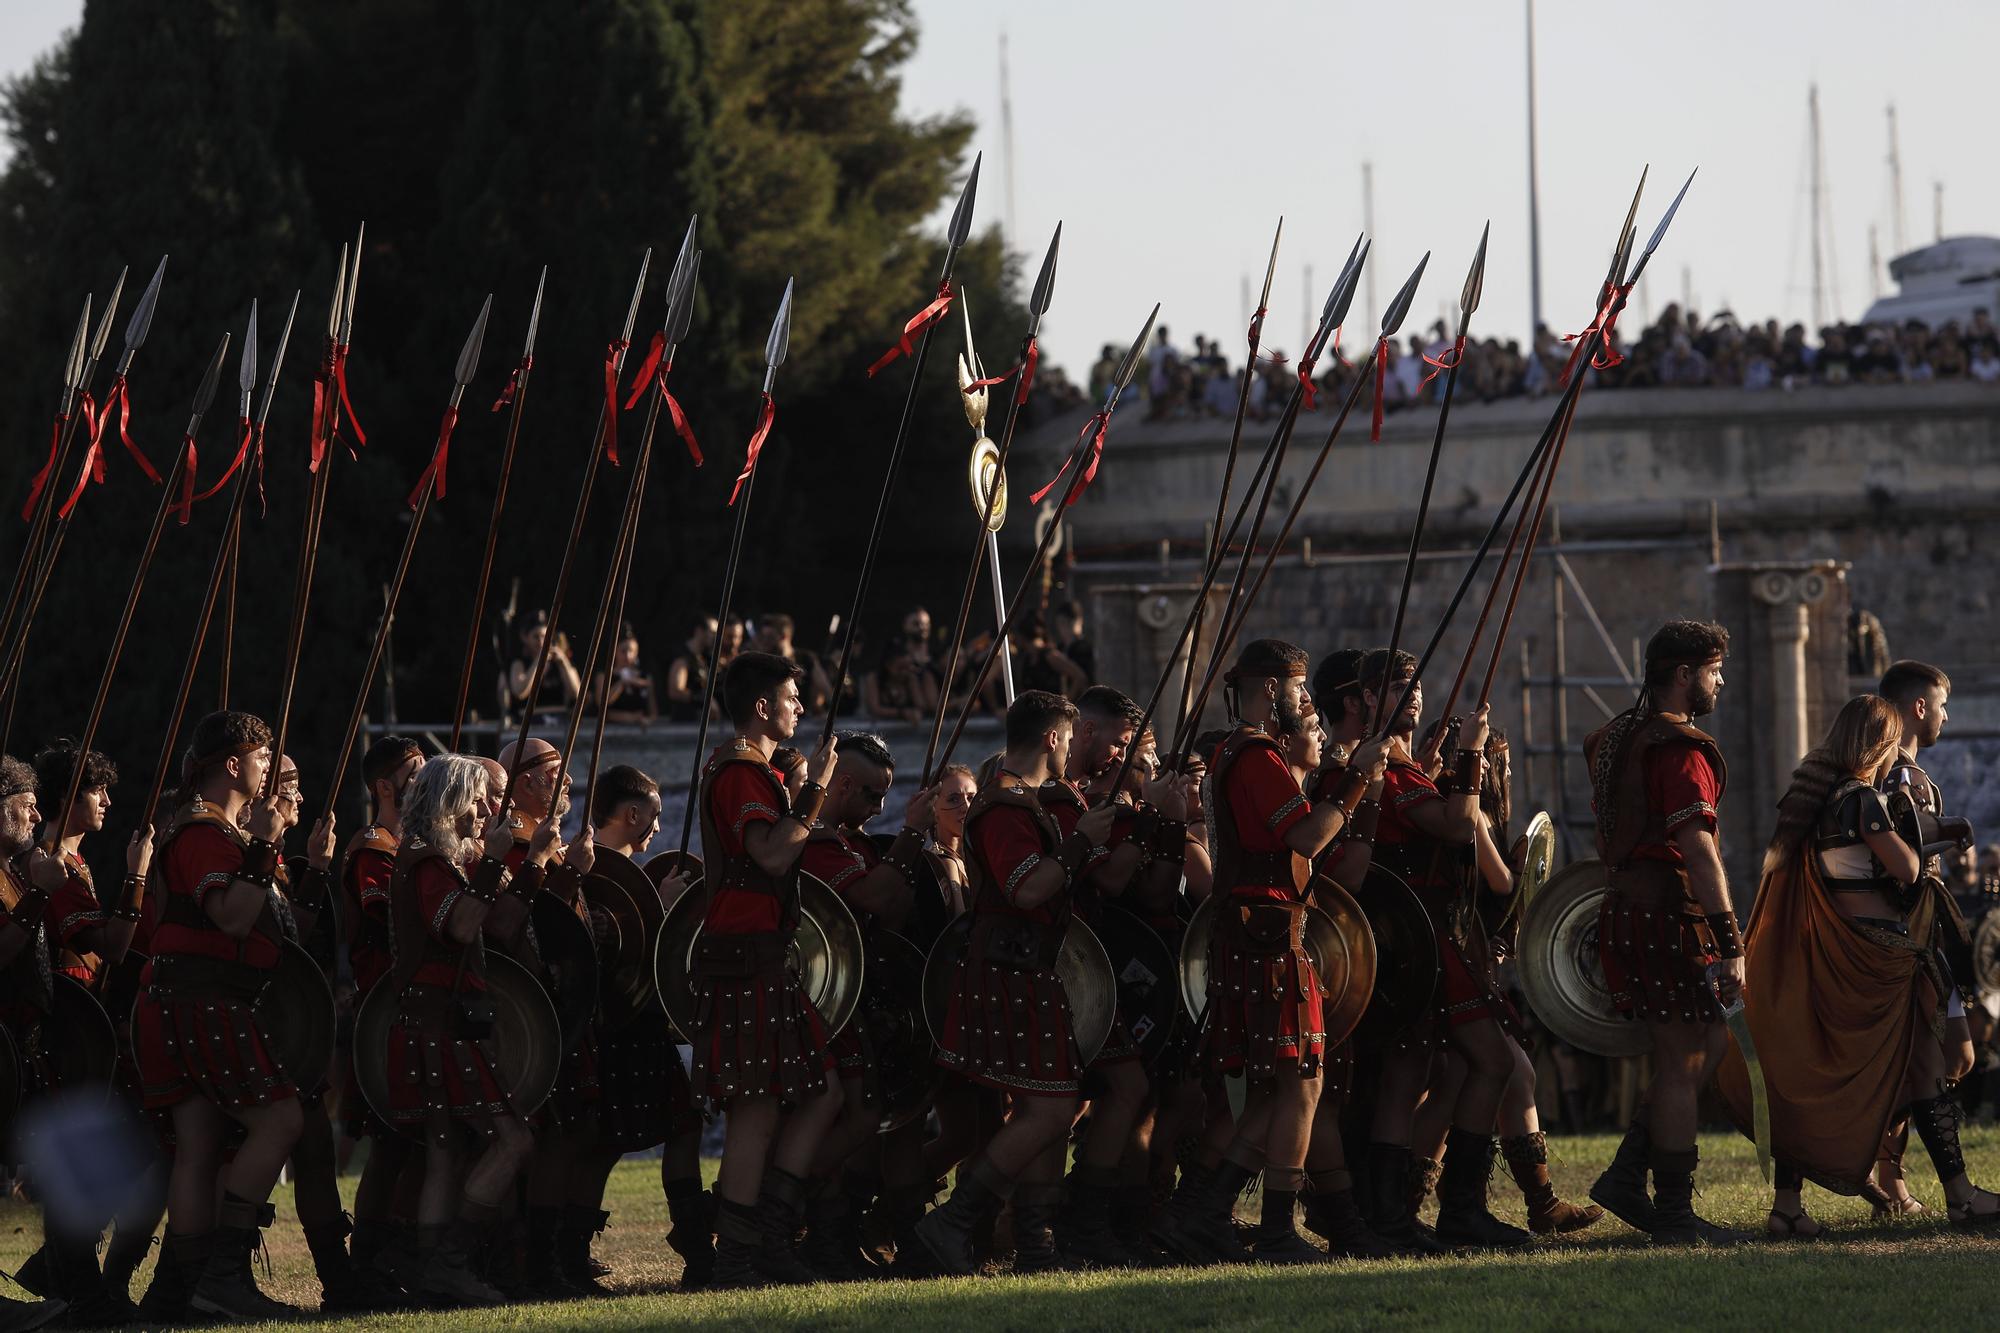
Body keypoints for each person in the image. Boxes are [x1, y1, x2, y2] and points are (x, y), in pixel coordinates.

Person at [1715, 694, 2000, 1236]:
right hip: (1880, 960)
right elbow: (1909, 870)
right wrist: (1926, 840)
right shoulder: (1861, 798)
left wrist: (1938, 827)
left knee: (1809, 1074)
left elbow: (1857, 860)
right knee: (1924, 1071)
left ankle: (1787, 1209)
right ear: (1879, 743)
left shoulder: (1815, 800)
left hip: (1834, 955)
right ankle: (1960, 1198)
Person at [1156, 641, 1387, 1264]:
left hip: (1263, 933)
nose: (1307, 700)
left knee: (1280, 1091)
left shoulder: (1244, 752)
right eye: (1298, 689)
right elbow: (1308, 837)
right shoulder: (1255, 754)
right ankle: (1273, 1227)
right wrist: (1360, 779)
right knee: (1302, 1086)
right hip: (1267, 938)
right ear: (1267, 690)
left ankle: (1206, 1213)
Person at [915, 690, 1119, 1274]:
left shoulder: (1024, 800)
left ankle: (1035, 1244)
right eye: (1067, 740)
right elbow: (1026, 887)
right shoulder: (1003, 806)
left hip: (1033, 969)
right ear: (1054, 738)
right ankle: (951, 1224)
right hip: (1009, 970)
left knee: (1050, 1107)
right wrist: (1083, 842)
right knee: (1051, 1111)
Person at [129, 710, 307, 1320]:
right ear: (234, 764)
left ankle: (179, 1292)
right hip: (201, 1000)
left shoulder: (210, 828)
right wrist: (262, 844)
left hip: (187, 999)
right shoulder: (203, 832)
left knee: (200, 1145)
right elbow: (232, 916)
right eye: (262, 759)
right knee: (280, 1120)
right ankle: (222, 1278)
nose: (268, 772)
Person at [1582, 620, 1751, 1245]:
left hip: (1630, 909)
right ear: (1684, 675)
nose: (1720, 680)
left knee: (1709, 1045)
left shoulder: (1611, 737)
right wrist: (1730, 941)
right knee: (1685, 1059)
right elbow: (1698, 849)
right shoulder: (1679, 749)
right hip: (1665, 915)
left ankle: (1626, 1175)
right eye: (1713, 670)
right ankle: (1674, 1210)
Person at [1355, 647, 1528, 1251]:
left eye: (1417, 685)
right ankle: (1441, 1213)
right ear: (1371, 698)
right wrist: (1473, 753)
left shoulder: (1408, 767)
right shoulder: (1388, 771)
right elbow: (1457, 826)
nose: (1415, 696)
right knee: (1484, 1063)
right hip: (1418, 937)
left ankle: (1403, 1215)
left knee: (1416, 1075)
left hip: (1427, 935)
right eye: (1398, 687)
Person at [692, 651, 844, 1287]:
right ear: (762, 707)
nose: (801, 707)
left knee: (822, 1091)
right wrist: (813, 794)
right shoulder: (739, 771)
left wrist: (795, 785)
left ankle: (771, 1233)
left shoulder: (756, 771)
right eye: (791, 697)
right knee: (755, 1110)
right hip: (743, 955)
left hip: (762, 956)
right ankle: (739, 1256)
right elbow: (772, 854)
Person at [382, 756, 541, 1305]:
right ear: (450, 804)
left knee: (446, 1150)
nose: (488, 811)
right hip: (439, 1026)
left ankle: (431, 1271)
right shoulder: (428, 862)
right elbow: (462, 924)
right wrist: (495, 865)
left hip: (435, 1021)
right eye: (477, 800)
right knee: (513, 1140)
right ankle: (448, 1262)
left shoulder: (433, 859)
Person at [796, 731, 933, 1275]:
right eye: (872, 795)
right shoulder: (817, 841)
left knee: (892, 1119)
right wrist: (911, 836)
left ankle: (880, 1233)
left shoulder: (850, 840)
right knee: (855, 1117)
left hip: (871, 996)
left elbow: (894, 911)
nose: (878, 808)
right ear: (843, 783)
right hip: (826, 999)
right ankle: (781, 1215)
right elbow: (875, 900)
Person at [579, 764, 712, 1290]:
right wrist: (665, 907)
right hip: (613, 1027)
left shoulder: (624, 869)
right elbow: (603, 948)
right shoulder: (588, 867)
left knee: (682, 1126)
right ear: (631, 813)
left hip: (645, 1025)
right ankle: (567, 1252)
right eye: (653, 818)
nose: (657, 828)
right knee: (602, 1143)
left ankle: (695, 1243)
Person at [340, 735, 426, 1289]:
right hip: (387, 1006)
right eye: (415, 775)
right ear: (385, 786)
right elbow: (388, 922)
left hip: (410, 1003)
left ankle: (396, 1250)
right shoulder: (376, 846)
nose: (425, 783)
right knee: (397, 1140)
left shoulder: (406, 844)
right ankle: (373, 1259)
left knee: (412, 1139)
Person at [501, 610, 581, 725]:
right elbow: (519, 692)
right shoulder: (519, 663)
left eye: (544, 636)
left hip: (559, 722)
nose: (540, 642)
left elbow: (576, 694)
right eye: (535, 637)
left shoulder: (558, 661)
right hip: (528, 722)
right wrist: (538, 661)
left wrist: (563, 662)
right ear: (525, 637)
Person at [757, 613, 833, 716]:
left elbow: (825, 689)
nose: (765, 642)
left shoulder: (806, 659)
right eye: (763, 637)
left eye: (770, 637)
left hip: (801, 719)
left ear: (784, 636)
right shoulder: (765, 661)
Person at [591, 622, 658, 726]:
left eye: (631, 651)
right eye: (623, 651)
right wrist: (622, 683)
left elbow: (653, 712)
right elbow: (601, 704)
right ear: (615, 652)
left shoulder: (644, 677)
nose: (628, 656)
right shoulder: (604, 676)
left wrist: (647, 720)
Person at [863, 634, 938, 724]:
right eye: (900, 668)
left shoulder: (910, 678)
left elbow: (921, 706)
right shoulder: (874, 679)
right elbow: (875, 709)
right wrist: (902, 713)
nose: (904, 672)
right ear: (888, 665)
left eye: (907, 667)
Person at [665, 616, 718, 722]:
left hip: (696, 723)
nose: (715, 637)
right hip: (684, 725)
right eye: (712, 632)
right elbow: (675, 691)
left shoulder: (703, 658)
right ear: (699, 631)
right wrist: (703, 699)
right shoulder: (683, 658)